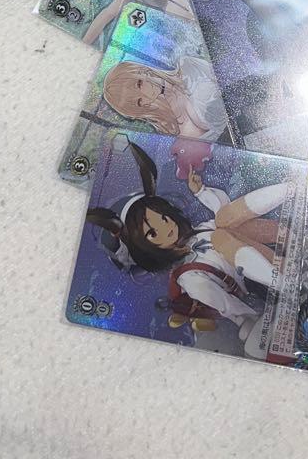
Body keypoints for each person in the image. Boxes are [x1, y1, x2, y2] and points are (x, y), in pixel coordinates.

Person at [86, 142, 291, 355]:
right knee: (220, 235)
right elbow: (221, 301)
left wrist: (201, 192)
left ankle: (287, 197)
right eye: (152, 233)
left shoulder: (201, 230)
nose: (166, 228)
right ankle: (281, 280)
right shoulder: (189, 276)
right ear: (144, 250)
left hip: (273, 254)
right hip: (258, 289)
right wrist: (248, 317)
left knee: (223, 221)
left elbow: (227, 209)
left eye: (163, 218)